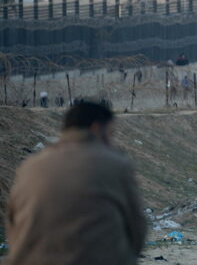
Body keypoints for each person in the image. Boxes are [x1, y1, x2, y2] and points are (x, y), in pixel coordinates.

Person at [5, 101, 147, 265]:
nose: (111, 141)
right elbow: (136, 229)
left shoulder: (30, 166)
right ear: (96, 128)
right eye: (111, 134)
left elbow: (13, 224)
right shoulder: (116, 165)